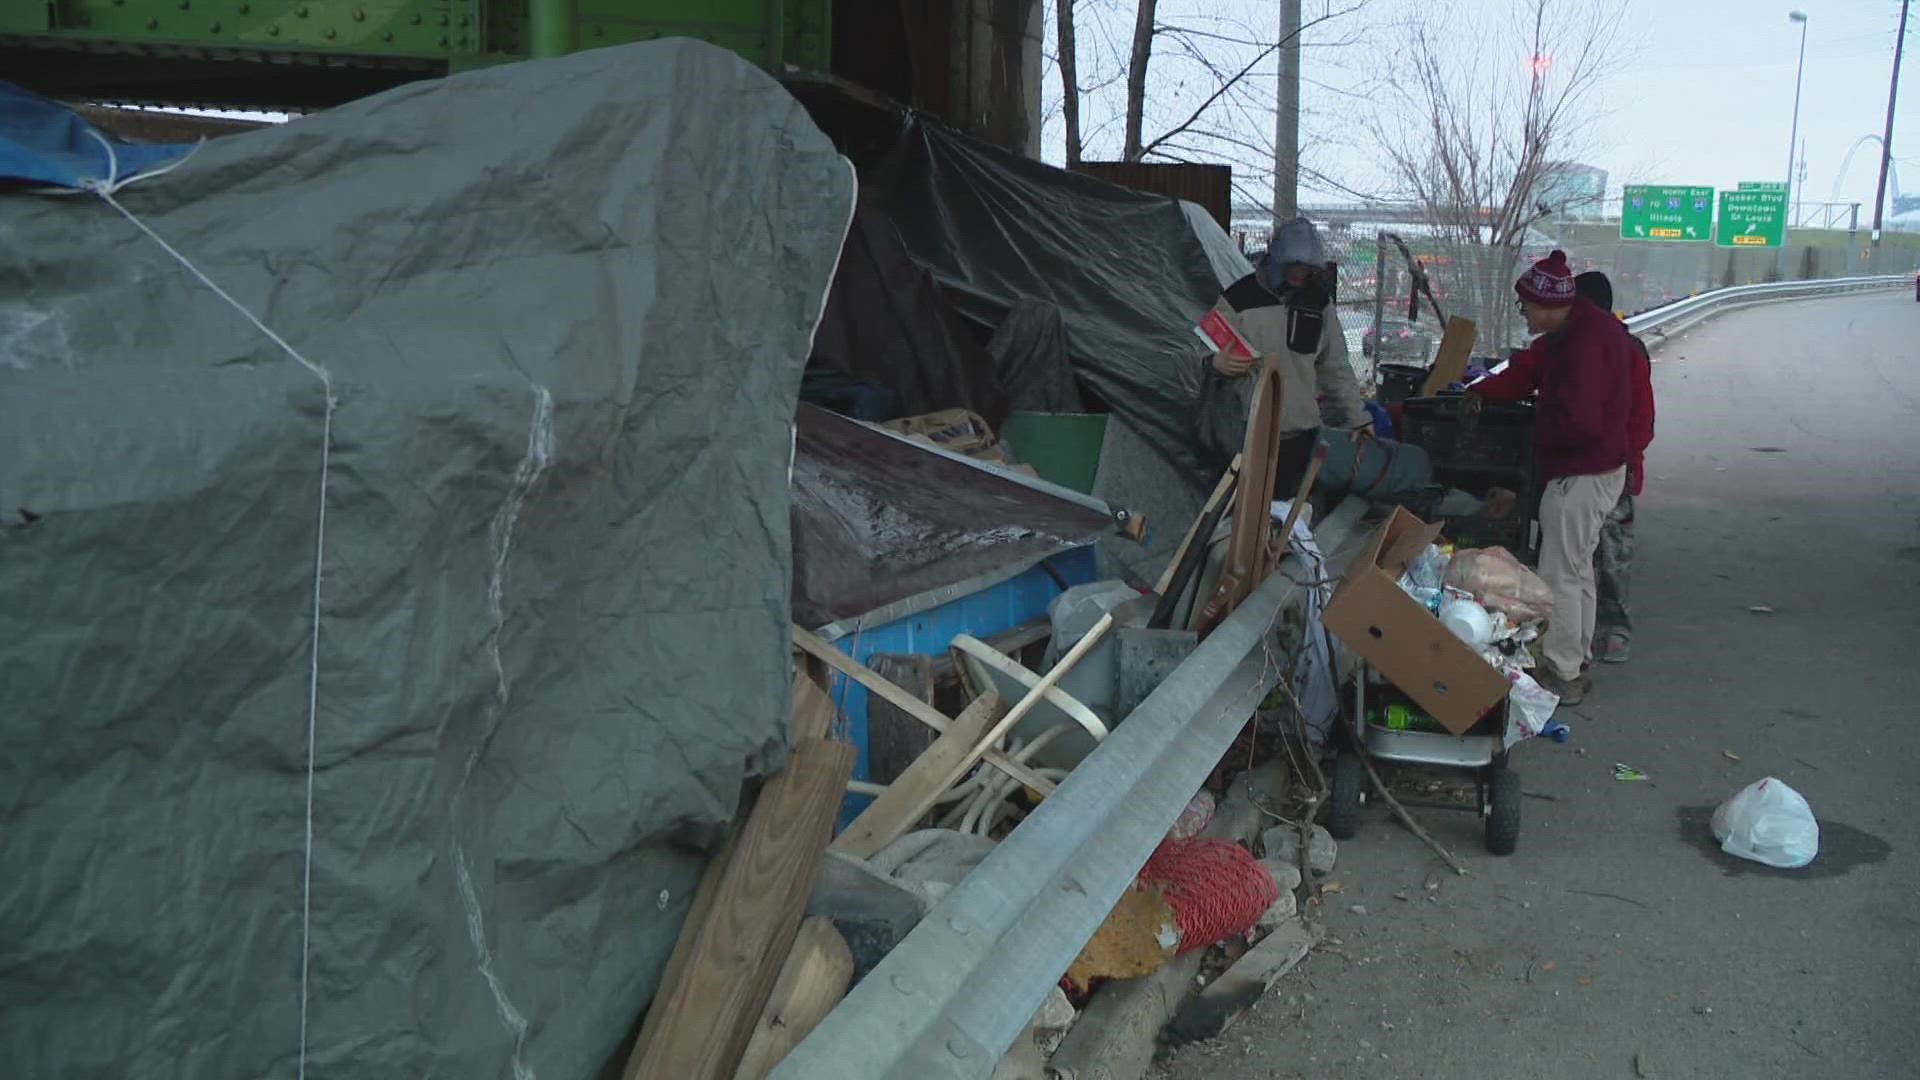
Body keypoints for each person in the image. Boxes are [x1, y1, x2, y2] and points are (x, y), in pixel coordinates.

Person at [1464, 251, 1633, 705]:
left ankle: (1562, 672)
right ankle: (1574, 660)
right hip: (1595, 468)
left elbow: (1582, 422)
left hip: (1583, 472)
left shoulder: (1584, 343)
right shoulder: (1576, 331)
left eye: (1525, 307)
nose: (1523, 315)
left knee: (1561, 572)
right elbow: (1527, 377)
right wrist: (1479, 392)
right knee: (1578, 570)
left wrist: (1542, 429)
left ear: (1546, 304)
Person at [1188, 217, 1367, 495]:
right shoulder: (1239, 299)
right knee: (1243, 519)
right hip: (1245, 435)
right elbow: (1197, 352)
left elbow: (1336, 368)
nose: (1300, 273)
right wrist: (1215, 362)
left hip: (1301, 434)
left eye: (1306, 267)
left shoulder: (1318, 304)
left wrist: (1360, 420)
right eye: (1294, 265)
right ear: (1277, 260)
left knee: (1289, 522)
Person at [1570, 272, 1654, 663]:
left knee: (1609, 551)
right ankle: (1587, 633)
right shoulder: (1573, 343)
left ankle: (1615, 629)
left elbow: (1641, 421)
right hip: (1586, 465)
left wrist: (1622, 458)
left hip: (1614, 466)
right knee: (1588, 552)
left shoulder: (1625, 349)